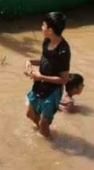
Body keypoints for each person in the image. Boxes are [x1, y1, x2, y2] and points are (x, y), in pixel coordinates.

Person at [24, 12, 71, 140]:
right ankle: (42, 129)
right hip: (40, 84)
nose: (41, 27)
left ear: (50, 30)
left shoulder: (63, 51)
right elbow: (45, 60)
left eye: (43, 25)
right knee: (29, 114)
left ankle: (48, 141)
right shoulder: (47, 41)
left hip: (52, 91)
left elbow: (64, 79)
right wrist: (30, 61)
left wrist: (41, 77)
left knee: (44, 124)